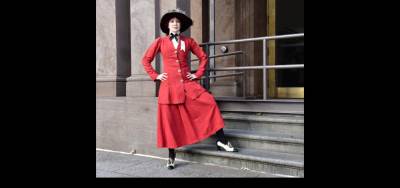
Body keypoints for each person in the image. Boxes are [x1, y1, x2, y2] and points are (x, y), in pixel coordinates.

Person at [141, 9, 238, 170]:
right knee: (170, 121)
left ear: (181, 25)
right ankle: (171, 155)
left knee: (209, 102)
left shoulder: (188, 41)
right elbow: (146, 60)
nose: (175, 24)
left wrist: (198, 74)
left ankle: (221, 140)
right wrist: (156, 76)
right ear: (167, 25)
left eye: (177, 22)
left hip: (187, 84)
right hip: (169, 87)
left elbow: (203, 57)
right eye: (172, 21)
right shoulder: (160, 41)